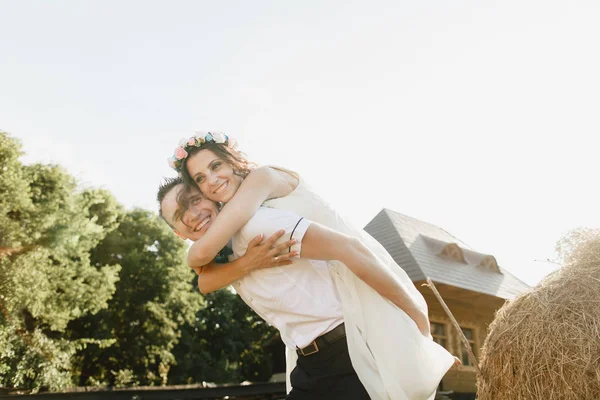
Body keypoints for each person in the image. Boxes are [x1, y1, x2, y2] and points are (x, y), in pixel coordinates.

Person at [167, 132, 457, 400]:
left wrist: (419, 317)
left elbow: (198, 256)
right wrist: (246, 262)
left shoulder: (260, 193)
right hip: (314, 352)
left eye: (217, 165)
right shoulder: (238, 227)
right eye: (202, 178)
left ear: (234, 160)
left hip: (355, 300)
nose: (213, 180)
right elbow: (205, 280)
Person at [158, 178, 378, 399]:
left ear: (213, 199)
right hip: (311, 362)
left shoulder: (257, 227)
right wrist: (248, 263)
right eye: (179, 215)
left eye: (195, 200)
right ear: (179, 233)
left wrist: (414, 313)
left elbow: (348, 248)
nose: (192, 214)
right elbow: (204, 282)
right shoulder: (219, 255)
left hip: (348, 349)